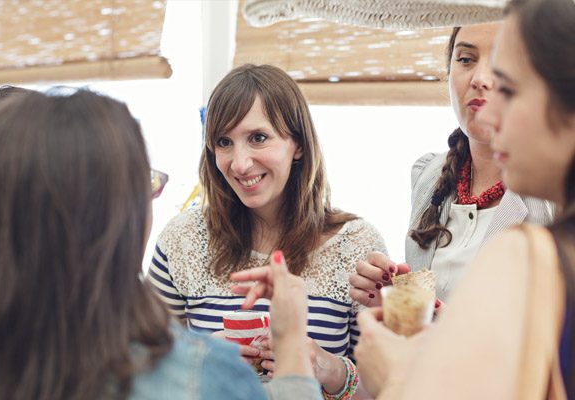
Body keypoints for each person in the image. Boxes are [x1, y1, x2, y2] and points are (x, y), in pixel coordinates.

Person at [0, 89, 321, 399]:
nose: (240, 162)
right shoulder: (201, 376)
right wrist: (290, 346)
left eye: (258, 137)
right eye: (146, 183)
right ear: (119, 216)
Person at [353, 0, 575, 397]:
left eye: (509, 86)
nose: (489, 109)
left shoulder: (530, 252)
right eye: (465, 60)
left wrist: (397, 378)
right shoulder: (427, 176)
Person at [147, 63, 387, 396]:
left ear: (298, 144)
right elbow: (143, 373)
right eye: (224, 142)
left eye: (258, 138)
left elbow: (388, 388)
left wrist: (326, 368)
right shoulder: (182, 239)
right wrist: (199, 357)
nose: (239, 163)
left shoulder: (356, 244)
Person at [349, 20, 553, 306]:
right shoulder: (428, 176)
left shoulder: (557, 190)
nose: (480, 78)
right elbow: (425, 320)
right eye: (466, 60)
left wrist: (446, 326)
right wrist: (395, 300)